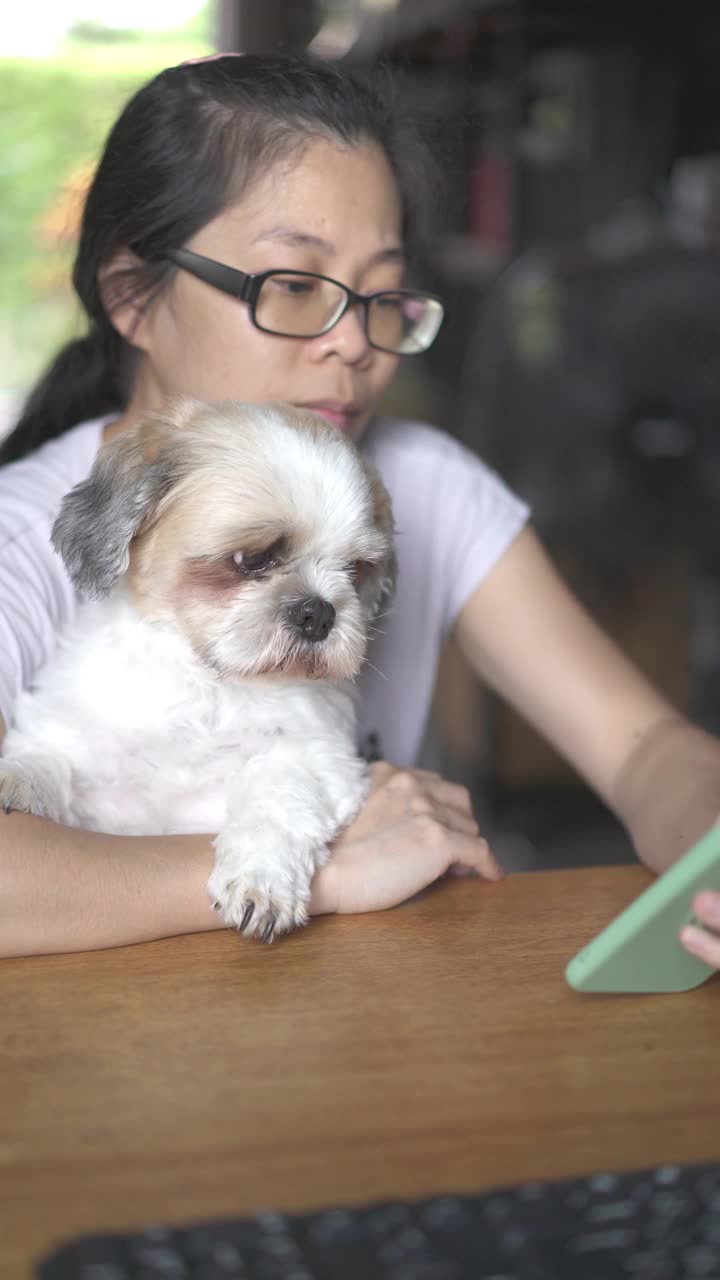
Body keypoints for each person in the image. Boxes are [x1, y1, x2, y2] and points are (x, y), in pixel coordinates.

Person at [1, 53, 719, 966]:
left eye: (382, 297)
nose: (351, 343)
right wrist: (323, 871)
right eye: (294, 286)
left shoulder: (426, 480)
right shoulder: (19, 538)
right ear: (133, 295)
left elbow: (647, 747)